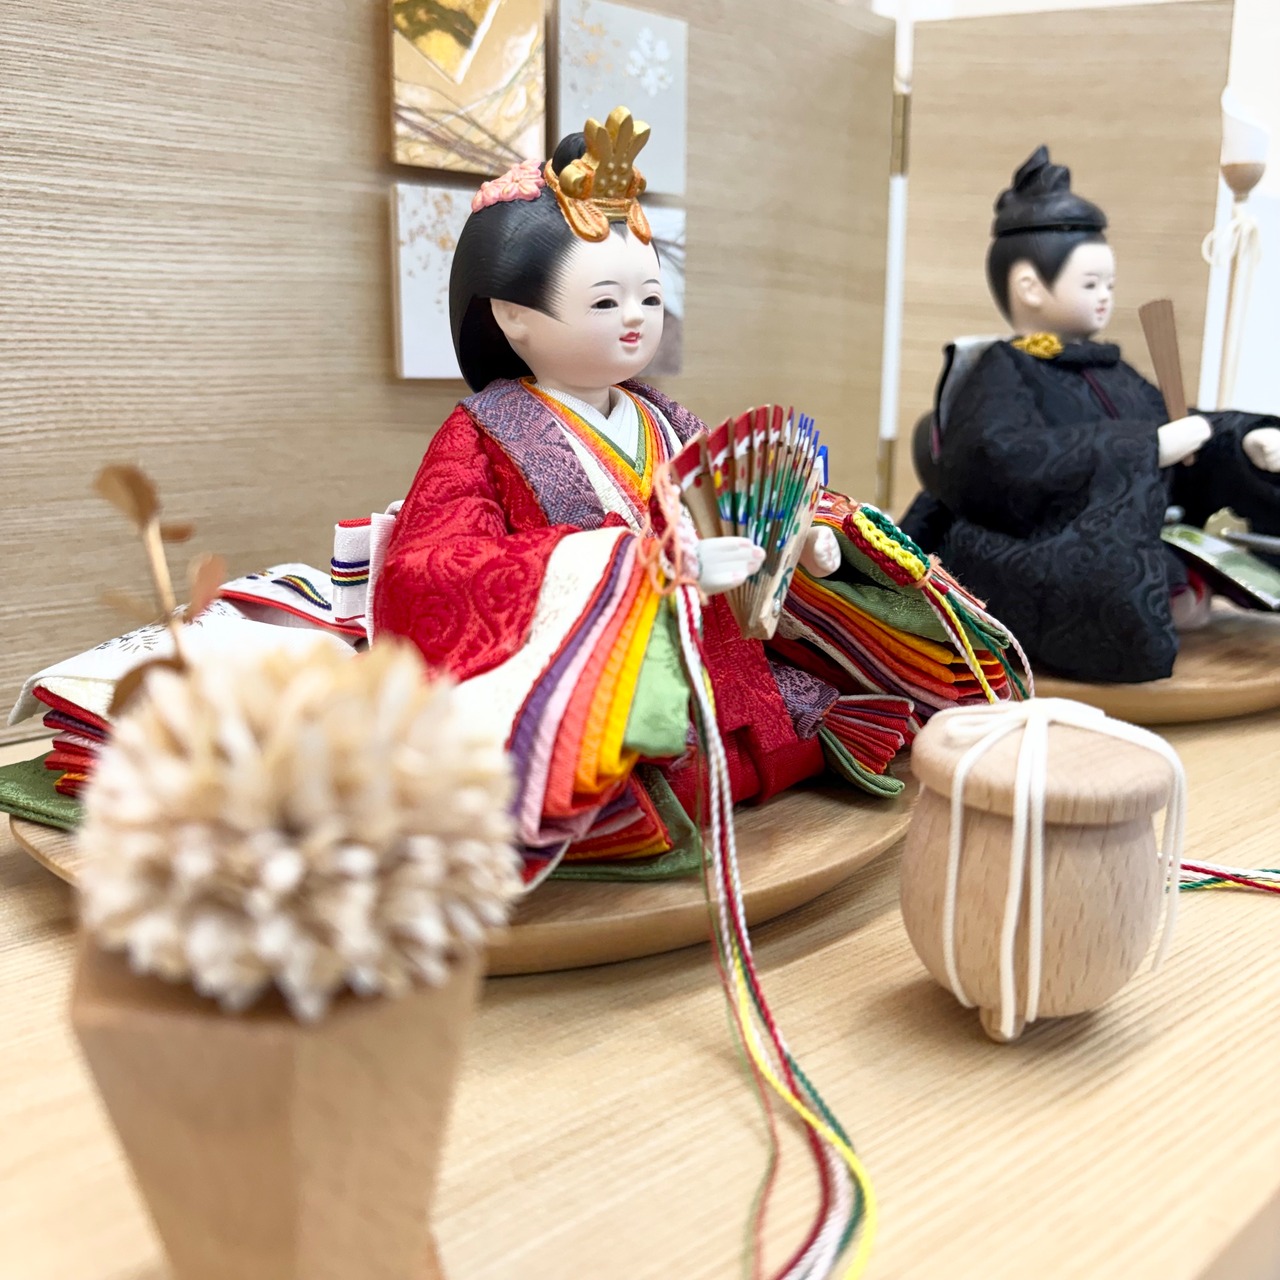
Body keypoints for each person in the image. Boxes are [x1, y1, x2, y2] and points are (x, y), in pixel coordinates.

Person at [375, 107, 1021, 883]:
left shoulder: (666, 419)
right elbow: (431, 570)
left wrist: (803, 544)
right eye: (604, 302)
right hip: (616, 688)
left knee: (807, 713)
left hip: (724, 669)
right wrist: (637, 566)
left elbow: (742, 504)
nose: (634, 321)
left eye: (649, 299)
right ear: (513, 316)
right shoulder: (481, 435)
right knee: (629, 774)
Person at [901, 146, 1280, 684]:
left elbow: (1169, 422)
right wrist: (1145, 448)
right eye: (1090, 285)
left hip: (1126, 530)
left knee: (1193, 564)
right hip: (1032, 533)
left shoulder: (1110, 368)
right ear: (1030, 286)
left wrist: (1240, 440)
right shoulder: (1003, 370)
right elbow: (998, 455)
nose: (1105, 298)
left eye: (1109, 285)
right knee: (1120, 589)